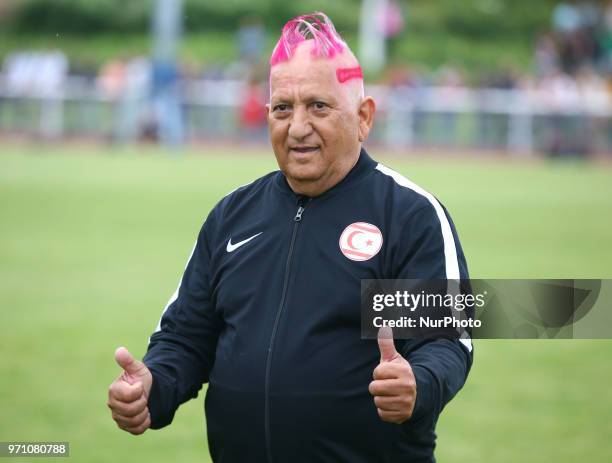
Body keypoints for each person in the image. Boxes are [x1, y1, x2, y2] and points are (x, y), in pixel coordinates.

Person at [107, 12, 473, 462]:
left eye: (318, 106)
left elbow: (445, 343)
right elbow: (186, 338)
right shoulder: (232, 216)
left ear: (363, 117)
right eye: (283, 108)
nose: (297, 126)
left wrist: (419, 383)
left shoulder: (406, 215)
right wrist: (152, 387)